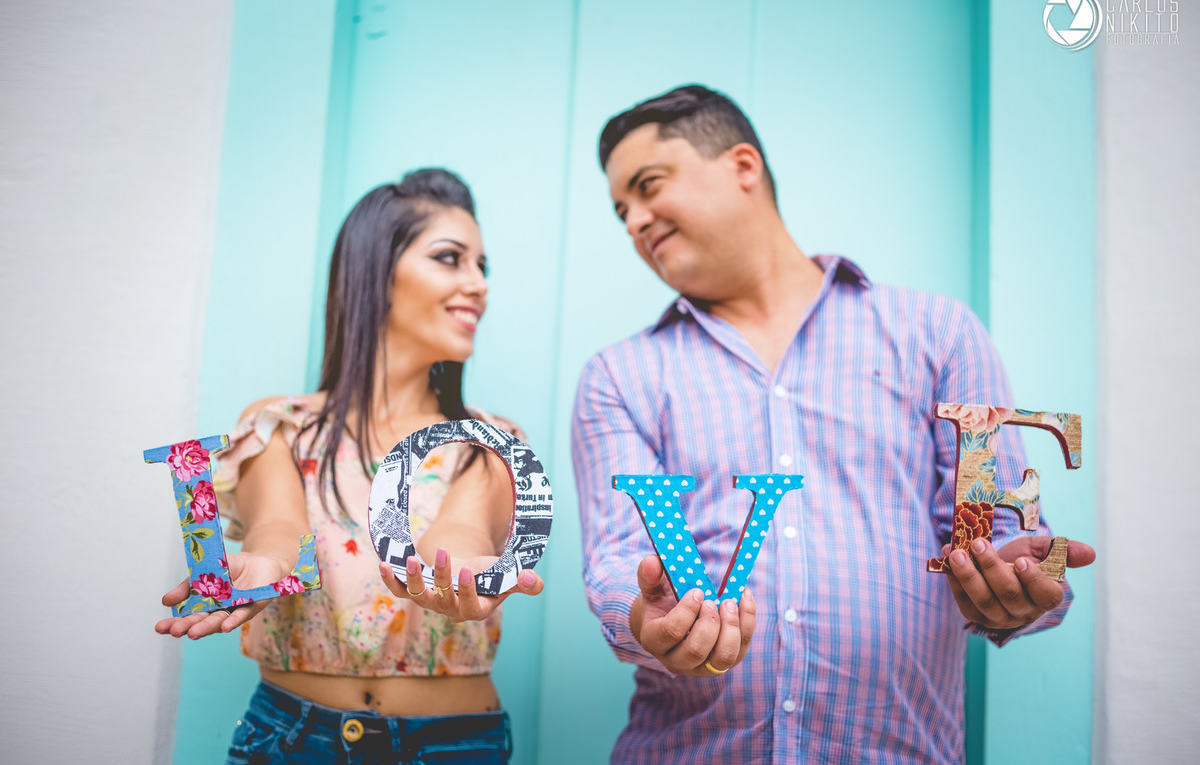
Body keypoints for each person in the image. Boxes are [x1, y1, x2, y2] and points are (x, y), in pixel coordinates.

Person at [570, 85, 1097, 764]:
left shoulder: (938, 333)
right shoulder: (618, 377)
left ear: (743, 166)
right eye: (621, 211)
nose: (635, 221)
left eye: (648, 186)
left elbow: (996, 533)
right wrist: (646, 620)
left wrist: (1017, 585)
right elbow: (618, 558)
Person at [156, 168, 543, 764]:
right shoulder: (281, 426)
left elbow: (459, 537)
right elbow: (278, 531)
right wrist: (263, 564)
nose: (478, 284)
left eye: (482, 267)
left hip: (453, 748)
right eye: (451, 258)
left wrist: (457, 576)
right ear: (377, 274)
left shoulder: (491, 443)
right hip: (289, 741)